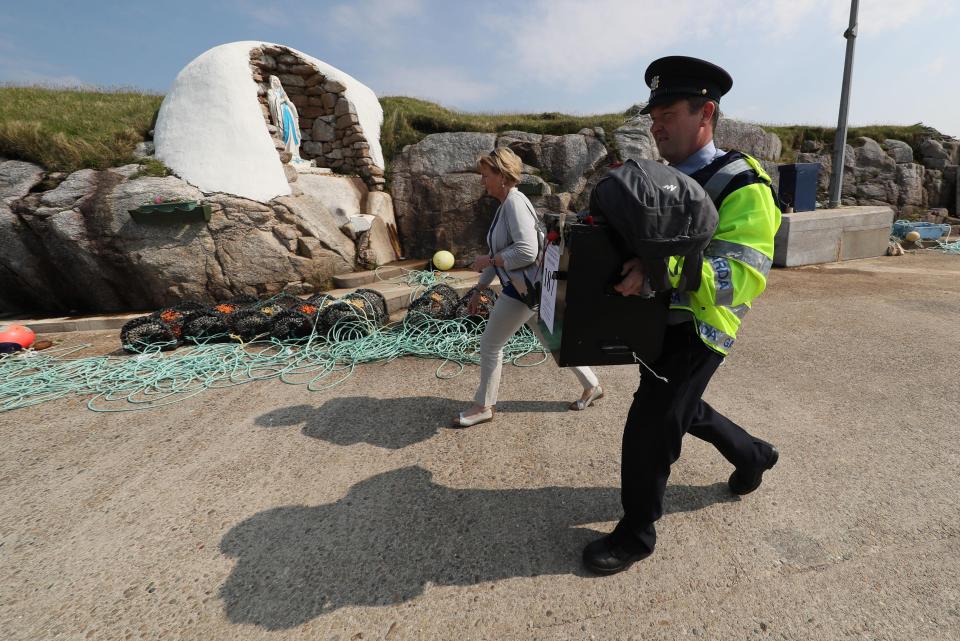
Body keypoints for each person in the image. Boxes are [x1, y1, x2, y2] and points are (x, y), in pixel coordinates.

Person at [582, 56, 782, 574]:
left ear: (706, 113)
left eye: (667, 111)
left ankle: (636, 534)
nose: (656, 124)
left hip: (701, 327)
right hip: (656, 322)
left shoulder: (744, 185)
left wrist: (656, 272)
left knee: (652, 423)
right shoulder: (661, 179)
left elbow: (742, 275)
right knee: (682, 408)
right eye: (653, 114)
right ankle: (753, 455)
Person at [452, 147, 602, 427]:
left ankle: (484, 406)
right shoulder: (507, 204)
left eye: (486, 175)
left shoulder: (514, 204)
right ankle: (592, 384)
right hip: (530, 287)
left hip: (522, 290)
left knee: (490, 344)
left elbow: (525, 251)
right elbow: (503, 253)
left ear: (502, 175)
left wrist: (488, 260)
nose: (482, 181)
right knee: (552, 338)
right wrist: (480, 288)